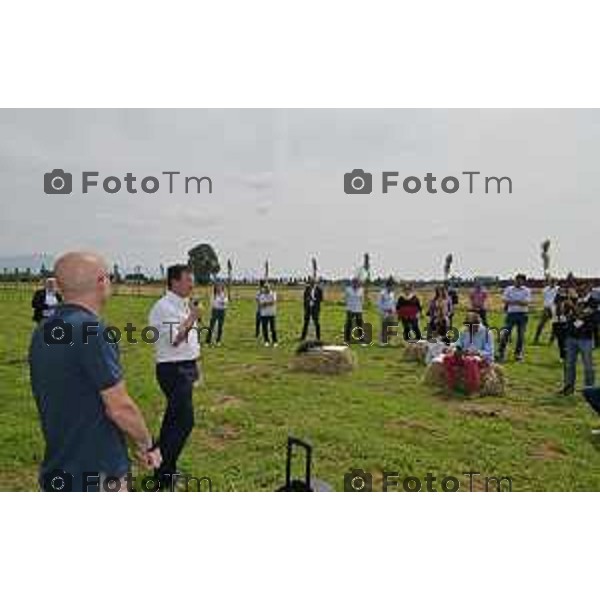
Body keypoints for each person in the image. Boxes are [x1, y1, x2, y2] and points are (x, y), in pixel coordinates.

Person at [29, 252, 160, 491]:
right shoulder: (93, 331)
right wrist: (146, 445)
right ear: (101, 282)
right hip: (98, 470)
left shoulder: (43, 330)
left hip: (59, 467)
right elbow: (119, 408)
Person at [149, 264, 201, 485]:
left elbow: (190, 341)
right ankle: (163, 474)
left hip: (185, 367)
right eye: (188, 280)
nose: (192, 284)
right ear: (174, 282)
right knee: (184, 422)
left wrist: (197, 366)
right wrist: (193, 317)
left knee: (172, 422)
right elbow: (175, 338)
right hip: (173, 369)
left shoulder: (182, 305)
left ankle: (163, 469)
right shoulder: (163, 307)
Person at [443, 312, 494, 394]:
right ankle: (450, 385)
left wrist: (476, 352)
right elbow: (458, 344)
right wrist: (451, 348)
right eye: (468, 326)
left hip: (481, 359)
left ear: (477, 324)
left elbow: (489, 352)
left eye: (471, 326)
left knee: (470, 361)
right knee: (447, 359)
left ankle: (473, 390)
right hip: (464, 355)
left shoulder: (487, 333)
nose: (469, 328)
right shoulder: (464, 331)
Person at [560, 280, 597, 395]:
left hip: (585, 338)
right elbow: (565, 315)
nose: (580, 290)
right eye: (578, 288)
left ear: (589, 289)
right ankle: (568, 387)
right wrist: (565, 305)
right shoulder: (573, 300)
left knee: (588, 366)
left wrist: (572, 306)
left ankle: (589, 390)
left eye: (583, 288)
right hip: (571, 337)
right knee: (569, 364)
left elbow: (582, 314)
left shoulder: (594, 302)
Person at [497, 273, 531, 362]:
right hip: (511, 314)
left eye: (520, 280)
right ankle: (501, 353)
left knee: (521, 336)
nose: (518, 281)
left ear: (523, 281)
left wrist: (512, 301)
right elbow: (504, 300)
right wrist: (519, 301)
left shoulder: (527, 290)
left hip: (523, 315)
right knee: (505, 334)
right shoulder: (509, 289)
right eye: (517, 280)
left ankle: (518, 354)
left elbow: (526, 303)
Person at [533, 279, 558, 344]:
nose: (552, 283)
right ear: (549, 282)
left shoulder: (558, 289)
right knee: (541, 324)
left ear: (556, 283)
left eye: (554, 282)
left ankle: (551, 340)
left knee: (555, 325)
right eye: (551, 282)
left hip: (555, 308)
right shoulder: (545, 289)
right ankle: (536, 338)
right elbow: (545, 298)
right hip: (546, 308)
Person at [551, 282, 570, 362]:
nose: (561, 293)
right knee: (560, 341)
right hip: (556, 322)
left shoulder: (568, 302)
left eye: (563, 291)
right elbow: (553, 312)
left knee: (566, 340)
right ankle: (562, 356)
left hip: (565, 322)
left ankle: (568, 356)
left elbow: (570, 313)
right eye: (559, 291)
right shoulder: (554, 302)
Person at [344, 277, 365, 344]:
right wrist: (348, 307)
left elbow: (362, 300)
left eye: (357, 282)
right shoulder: (348, 289)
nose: (355, 284)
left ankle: (361, 339)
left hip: (358, 310)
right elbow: (346, 299)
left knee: (359, 325)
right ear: (352, 283)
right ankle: (347, 340)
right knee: (349, 324)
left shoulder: (361, 290)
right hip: (350, 309)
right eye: (354, 282)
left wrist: (361, 307)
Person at [258, 282, 278, 346]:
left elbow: (273, 302)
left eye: (267, 287)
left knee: (273, 328)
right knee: (265, 329)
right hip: (264, 314)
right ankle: (266, 341)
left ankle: (275, 341)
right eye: (265, 288)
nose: (266, 289)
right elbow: (261, 304)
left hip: (272, 314)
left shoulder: (273, 294)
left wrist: (265, 303)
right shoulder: (262, 295)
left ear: (270, 288)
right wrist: (268, 303)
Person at [377, 277, 396, 345]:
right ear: (388, 286)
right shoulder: (382, 293)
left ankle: (390, 341)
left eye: (393, 286)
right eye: (391, 286)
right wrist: (383, 312)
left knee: (391, 327)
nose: (392, 287)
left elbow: (393, 302)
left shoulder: (392, 293)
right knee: (384, 327)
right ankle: (382, 341)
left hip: (391, 313)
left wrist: (394, 311)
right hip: (384, 312)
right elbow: (379, 303)